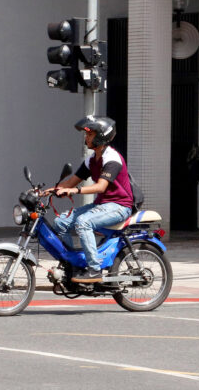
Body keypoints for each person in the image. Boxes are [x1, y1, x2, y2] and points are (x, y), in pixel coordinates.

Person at [45, 116, 134, 283]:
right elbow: (71, 181)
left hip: (119, 206)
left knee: (84, 222)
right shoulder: (91, 160)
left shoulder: (112, 158)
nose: (86, 138)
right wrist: (48, 191)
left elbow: (100, 187)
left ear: (101, 136)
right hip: (102, 205)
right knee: (60, 222)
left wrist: (75, 191)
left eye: (90, 135)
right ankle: (73, 264)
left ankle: (94, 270)